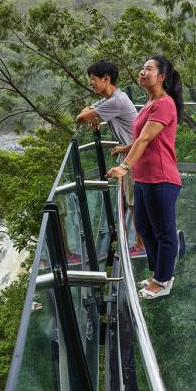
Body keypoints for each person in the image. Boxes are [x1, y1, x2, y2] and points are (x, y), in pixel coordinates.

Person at [107, 55, 184, 300]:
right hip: (144, 177)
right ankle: (155, 273)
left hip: (161, 177)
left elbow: (147, 139)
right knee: (144, 228)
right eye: (142, 68)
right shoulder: (149, 103)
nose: (142, 72)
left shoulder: (164, 103)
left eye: (148, 69)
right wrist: (125, 148)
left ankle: (164, 280)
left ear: (161, 77)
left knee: (164, 232)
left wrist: (124, 167)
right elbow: (140, 138)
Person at [75, 60, 146, 257]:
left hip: (135, 157)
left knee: (134, 203)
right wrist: (93, 114)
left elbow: (80, 118)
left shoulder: (116, 101)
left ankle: (141, 247)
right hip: (130, 152)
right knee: (132, 201)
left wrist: (92, 115)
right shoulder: (112, 98)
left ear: (106, 79)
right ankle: (142, 242)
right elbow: (85, 112)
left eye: (93, 81)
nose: (92, 85)